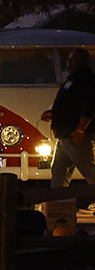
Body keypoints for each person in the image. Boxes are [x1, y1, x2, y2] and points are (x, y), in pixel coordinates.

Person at [43, 48, 95, 188]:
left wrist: (80, 130)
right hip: (64, 137)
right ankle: (58, 203)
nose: (68, 63)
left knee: (90, 172)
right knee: (58, 172)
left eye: (73, 60)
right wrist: (54, 114)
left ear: (84, 61)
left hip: (75, 138)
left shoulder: (86, 80)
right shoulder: (73, 78)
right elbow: (71, 104)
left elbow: (88, 108)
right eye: (68, 60)